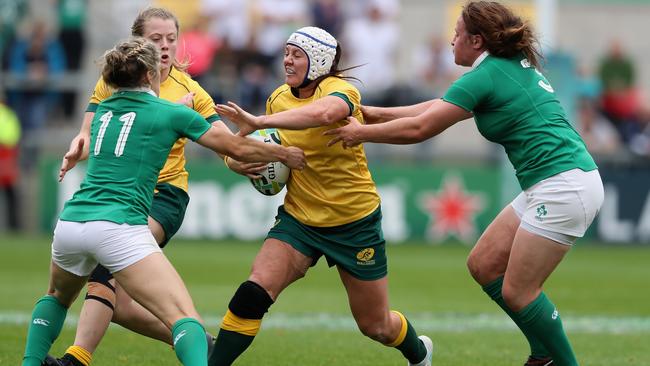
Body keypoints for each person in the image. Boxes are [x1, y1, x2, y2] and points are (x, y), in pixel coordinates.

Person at [325, 2, 604, 366]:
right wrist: (375, 113)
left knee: (519, 291)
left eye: (456, 35)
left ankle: (560, 362)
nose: (450, 41)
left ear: (476, 40)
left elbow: (421, 128)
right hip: (554, 183)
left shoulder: (485, 75)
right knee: (484, 264)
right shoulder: (498, 70)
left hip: (564, 186)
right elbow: (440, 105)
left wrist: (361, 132)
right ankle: (542, 353)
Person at [21, 37, 305, 366]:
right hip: (119, 226)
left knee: (56, 298)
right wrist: (283, 153)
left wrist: (177, 111)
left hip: (71, 223)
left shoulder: (106, 110)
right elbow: (235, 148)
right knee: (186, 320)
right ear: (148, 76)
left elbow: (144, 122)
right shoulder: (169, 113)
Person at [211, 26, 434, 366]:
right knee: (253, 292)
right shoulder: (277, 98)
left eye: (296, 54)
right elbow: (267, 146)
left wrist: (259, 121)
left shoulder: (342, 91)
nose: (287, 60)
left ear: (318, 61)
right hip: (299, 219)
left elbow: (324, 114)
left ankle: (419, 354)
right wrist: (235, 162)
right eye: (286, 52)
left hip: (353, 221)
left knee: (377, 326)